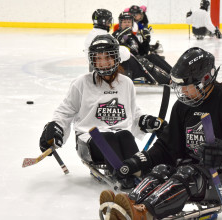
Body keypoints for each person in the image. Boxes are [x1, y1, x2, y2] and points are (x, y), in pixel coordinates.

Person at [100, 47, 222, 219]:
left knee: (187, 173)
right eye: (180, 86)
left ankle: (143, 214)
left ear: (205, 79)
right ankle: (130, 204)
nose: (182, 92)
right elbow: (169, 146)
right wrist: (139, 160)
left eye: (187, 86)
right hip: (194, 171)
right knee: (161, 169)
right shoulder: (184, 105)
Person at [39, 34, 166, 188]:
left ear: (116, 58)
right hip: (89, 139)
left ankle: (138, 173)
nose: (102, 63)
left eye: (107, 57)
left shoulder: (126, 83)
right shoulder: (82, 83)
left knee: (125, 135)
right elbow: (65, 112)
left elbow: (133, 111)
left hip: (117, 133)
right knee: (107, 137)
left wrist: (145, 120)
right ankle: (125, 178)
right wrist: (56, 127)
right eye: (98, 58)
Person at [113, 12, 171, 85]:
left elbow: (143, 52)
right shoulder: (117, 34)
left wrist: (146, 40)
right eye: (124, 22)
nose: (127, 24)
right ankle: (169, 77)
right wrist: (123, 37)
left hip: (137, 60)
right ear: (120, 23)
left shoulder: (132, 36)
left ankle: (172, 72)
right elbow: (118, 47)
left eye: (129, 22)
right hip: (128, 63)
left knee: (153, 55)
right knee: (151, 58)